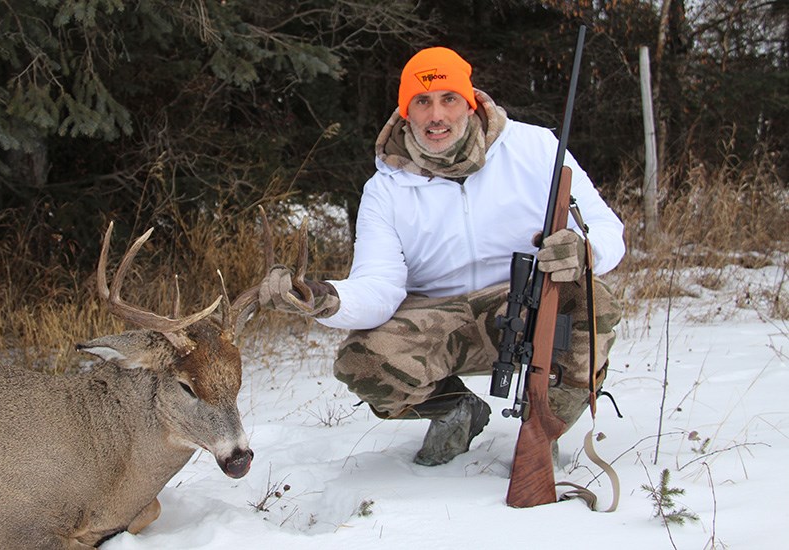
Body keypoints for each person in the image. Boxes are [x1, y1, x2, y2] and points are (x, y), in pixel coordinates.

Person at [258, 46, 624, 466]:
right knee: (363, 363)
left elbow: (607, 229)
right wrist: (318, 297)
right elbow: (378, 286)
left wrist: (583, 250)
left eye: (449, 99)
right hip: (438, 321)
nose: (437, 115)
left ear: (469, 104)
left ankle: (546, 425)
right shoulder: (384, 189)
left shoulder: (537, 148)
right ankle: (456, 410)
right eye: (422, 101)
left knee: (593, 302)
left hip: (526, 309)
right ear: (405, 111)